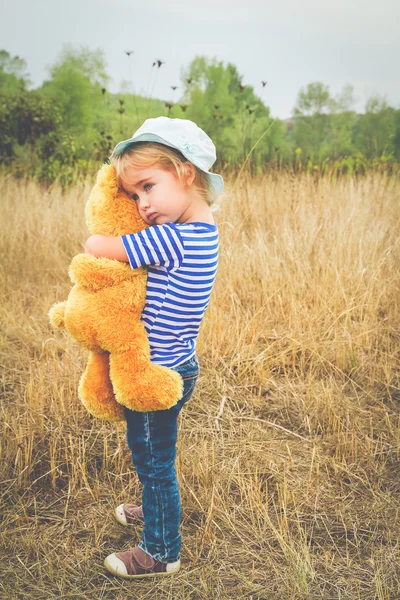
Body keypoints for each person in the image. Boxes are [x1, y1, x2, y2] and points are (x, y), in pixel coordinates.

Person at [83, 116, 224, 580]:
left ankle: (160, 551)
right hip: (180, 363)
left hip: (153, 372)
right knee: (159, 451)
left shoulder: (172, 238)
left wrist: (98, 233)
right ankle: (155, 505)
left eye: (147, 186)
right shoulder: (205, 233)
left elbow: (99, 245)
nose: (142, 204)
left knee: (153, 460)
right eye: (134, 195)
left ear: (185, 172)